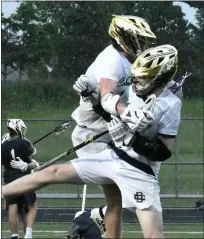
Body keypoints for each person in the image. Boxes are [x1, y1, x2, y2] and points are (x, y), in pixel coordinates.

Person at [2, 44, 181, 239]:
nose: (136, 80)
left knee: (154, 235)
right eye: (136, 74)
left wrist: (131, 139)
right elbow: (108, 113)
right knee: (52, 172)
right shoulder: (131, 91)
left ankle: (100, 215)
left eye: (143, 77)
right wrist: (91, 96)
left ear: (159, 78)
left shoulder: (171, 105)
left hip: (140, 171)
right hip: (113, 156)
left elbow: (163, 152)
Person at [71, 15, 156, 237]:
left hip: (114, 133)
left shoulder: (133, 60)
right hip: (92, 135)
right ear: (125, 39)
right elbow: (108, 98)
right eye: (139, 39)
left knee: (123, 198)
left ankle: (98, 219)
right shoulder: (111, 60)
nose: (143, 44)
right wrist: (129, 113)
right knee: (120, 196)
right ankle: (92, 218)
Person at [1, 119, 39, 239]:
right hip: (24, 178)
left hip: (9, 179)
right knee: (31, 206)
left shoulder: (3, 146)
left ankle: (14, 236)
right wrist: (26, 163)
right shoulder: (25, 142)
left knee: (13, 206)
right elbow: (33, 155)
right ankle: (28, 234)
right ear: (18, 128)